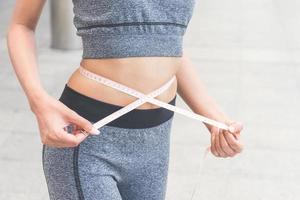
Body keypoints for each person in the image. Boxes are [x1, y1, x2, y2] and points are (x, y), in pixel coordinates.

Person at [6, 0, 244, 199]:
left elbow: (168, 45)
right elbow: (21, 25)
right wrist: (38, 101)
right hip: (90, 137)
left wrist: (214, 119)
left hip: (155, 141)